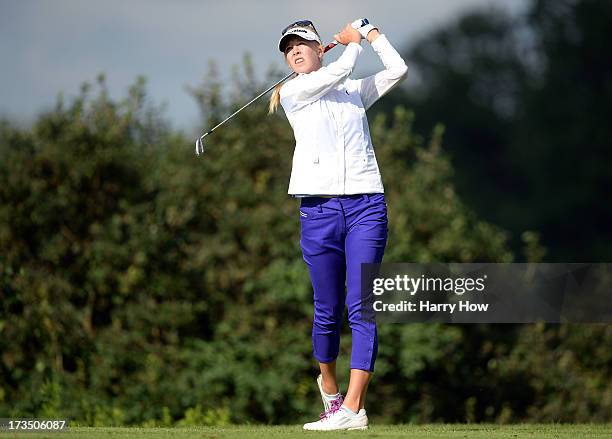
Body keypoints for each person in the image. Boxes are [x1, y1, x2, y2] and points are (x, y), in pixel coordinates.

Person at [270, 19, 408, 431]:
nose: (295, 51)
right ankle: (329, 390)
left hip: (367, 205)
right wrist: (352, 45)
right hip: (319, 210)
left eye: (302, 45)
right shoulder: (293, 92)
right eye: (288, 48)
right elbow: (341, 70)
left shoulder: (351, 92)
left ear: (319, 49)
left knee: (361, 306)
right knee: (327, 311)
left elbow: (398, 70)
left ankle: (353, 409)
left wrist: (372, 35)